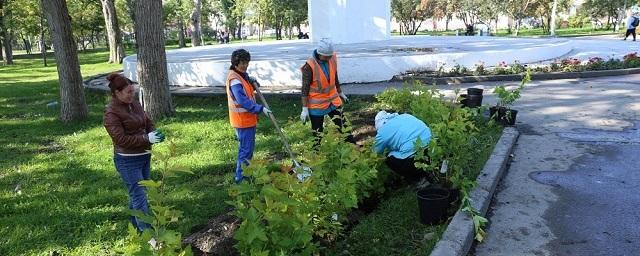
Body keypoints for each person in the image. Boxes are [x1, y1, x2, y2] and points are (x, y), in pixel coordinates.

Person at [103, 73, 165, 232]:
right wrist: (146, 138)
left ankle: (135, 229)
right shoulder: (111, 114)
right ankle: (150, 237)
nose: (132, 95)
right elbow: (121, 140)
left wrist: (154, 133)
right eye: (128, 92)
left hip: (144, 156)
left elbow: (147, 121)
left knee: (138, 193)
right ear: (117, 93)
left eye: (133, 91)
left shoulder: (135, 104)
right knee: (140, 198)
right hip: (128, 161)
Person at [226, 49, 272, 183]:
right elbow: (242, 100)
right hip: (242, 121)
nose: (245, 65)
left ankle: (245, 175)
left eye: (247, 62)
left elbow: (247, 91)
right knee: (245, 152)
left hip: (246, 120)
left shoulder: (241, 75)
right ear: (235, 63)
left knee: (247, 150)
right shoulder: (234, 79)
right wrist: (259, 109)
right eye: (242, 63)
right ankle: (241, 179)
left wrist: (251, 81)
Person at [299, 38, 354, 146]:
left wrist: (340, 92)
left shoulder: (332, 58)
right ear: (319, 53)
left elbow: (335, 76)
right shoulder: (309, 66)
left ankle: (352, 146)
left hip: (333, 101)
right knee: (317, 133)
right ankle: (316, 155)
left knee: (344, 126)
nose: (329, 58)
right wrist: (304, 109)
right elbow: (304, 88)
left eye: (330, 55)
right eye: (326, 56)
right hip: (317, 106)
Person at [373, 111, 432, 186]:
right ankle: (429, 173)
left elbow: (375, 152)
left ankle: (417, 179)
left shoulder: (382, 132)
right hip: (432, 147)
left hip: (415, 157)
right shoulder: (405, 116)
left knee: (389, 158)